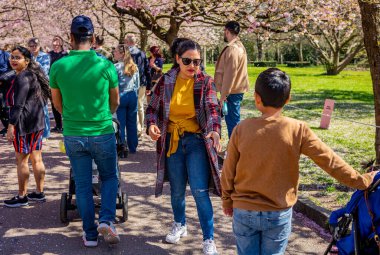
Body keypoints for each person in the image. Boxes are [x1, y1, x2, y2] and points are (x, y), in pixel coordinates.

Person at [220, 68, 379, 255]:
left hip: (244, 210)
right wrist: (360, 181)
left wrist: (226, 200)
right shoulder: (298, 129)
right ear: (288, 99)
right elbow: (329, 161)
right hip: (277, 213)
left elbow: (228, 171)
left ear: (256, 98)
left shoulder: (241, 129)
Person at [50, 15, 120, 247]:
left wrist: (72, 117)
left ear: (70, 38)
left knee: (81, 184)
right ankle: (107, 220)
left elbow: (57, 105)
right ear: (93, 38)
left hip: (73, 132)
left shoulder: (58, 66)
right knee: (109, 176)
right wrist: (103, 114)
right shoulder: (106, 65)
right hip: (101, 129)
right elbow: (115, 102)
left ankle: (89, 234)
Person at [146, 39, 221, 255]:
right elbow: (151, 108)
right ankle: (180, 224)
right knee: (177, 190)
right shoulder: (166, 81)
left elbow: (213, 109)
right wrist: (151, 124)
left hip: (197, 140)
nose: (193, 66)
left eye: (197, 62)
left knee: (199, 191)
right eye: (187, 61)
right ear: (177, 59)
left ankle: (208, 238)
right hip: (172, 141)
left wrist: (215, 130)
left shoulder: (205, 81)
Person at [4, 46, 50, 207]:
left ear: (27, 61)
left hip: (24, 124)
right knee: (36, 159)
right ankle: (39, 193)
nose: (13, 60)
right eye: (12, 57)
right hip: (37, 122)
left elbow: (19, 104)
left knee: (21, 161)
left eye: (17, 57)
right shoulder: (32, 75)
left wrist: (11, 126)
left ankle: (22, 196)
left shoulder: (22, 77)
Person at [214, 21, 249, 138]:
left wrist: (223, 96)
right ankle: (233, 149)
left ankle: (234, 152)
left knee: (232, 123)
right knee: (233, 121)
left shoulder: (233, 49)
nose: (224, 33)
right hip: (236, 90)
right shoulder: (239, 46)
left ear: (227, 31)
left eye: (224, 31)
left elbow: (230, 74)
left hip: (231, 92)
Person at [113, 44, 139, 155]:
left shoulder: (116, 67)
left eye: (116, 52)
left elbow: (114, 84)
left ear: (122, 53)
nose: (114, 53)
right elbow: (137, 84)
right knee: (132, 122)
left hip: (121, 95)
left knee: (121, 123)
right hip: (132, 95)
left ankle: (122, 147)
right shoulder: (134, 66)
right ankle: (133, 147)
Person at [124, 34, 151, 138]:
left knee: (131, 106)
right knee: (139, 106)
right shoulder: (142, 54)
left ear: (127, 41)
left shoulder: (126, 54)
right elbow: (147, 70)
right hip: (142, 82)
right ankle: (140, 129)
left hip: (129, 83)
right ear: (135, 42)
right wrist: (149, 85)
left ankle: (135, 128)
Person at [28, 37, 51, 140]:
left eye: (35, 46)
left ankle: (45, 133)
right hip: (31, 84)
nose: (33, 48)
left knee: (43, 108)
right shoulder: (29, 57)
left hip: (42, 85)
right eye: (31, 46)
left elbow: (45, 71)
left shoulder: (45, 56)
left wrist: (36, 65)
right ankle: (35, 131)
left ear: (39, 46)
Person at [48, 36, 67, 133]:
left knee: (65, 103)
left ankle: (66, 124)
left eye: (57, 44)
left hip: (63, 82)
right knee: (54, 103)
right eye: (54, 44)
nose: (55, 46)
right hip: (52, 82)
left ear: (61, 44)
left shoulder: (65, 54)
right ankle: (58, 125)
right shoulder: (49, 54)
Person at [0, 49, 12, 135]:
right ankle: (6, 127)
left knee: (5, 107)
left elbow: (14, 70)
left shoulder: (6, 55)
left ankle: (10, 127)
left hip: (5, 85)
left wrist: (2, 78)